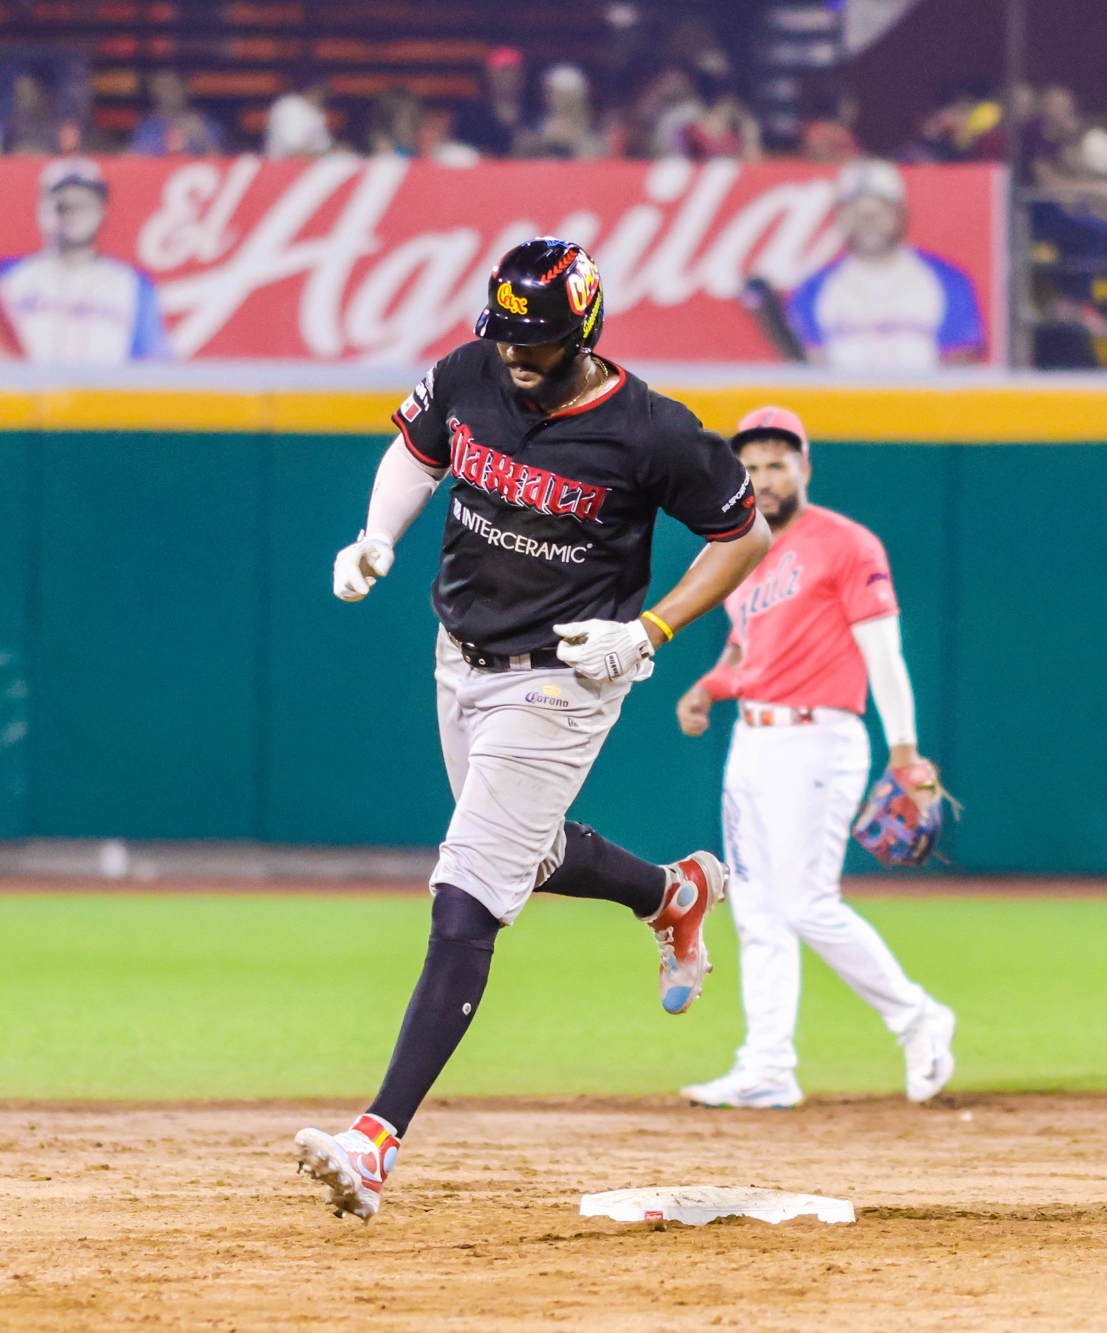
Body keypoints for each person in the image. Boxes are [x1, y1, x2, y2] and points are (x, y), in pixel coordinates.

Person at [296, 237, 772, 1221]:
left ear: (584, 332)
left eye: (538, 341)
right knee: (518, 848)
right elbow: (416, 451)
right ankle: (672, 891)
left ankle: (375, 1140)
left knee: (467, 890)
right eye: (507, 335)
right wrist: (376, 532)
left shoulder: (650, 431)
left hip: (562, 676)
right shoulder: (472, 370)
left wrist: (646, 631)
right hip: (458, 653)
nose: (516, 356)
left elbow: (744, 537)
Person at [673, 407, 955, 1109]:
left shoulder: (847, 544)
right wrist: (709, 687)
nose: (765, 478)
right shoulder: (737, 547)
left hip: (821, 736)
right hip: (752, 739)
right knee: (758, 909)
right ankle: (767, 1065)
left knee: (805, 901)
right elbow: (746, 645)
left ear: (805, 466)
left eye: (778, 463)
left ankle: (917, 1016)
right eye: (753, 466)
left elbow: (883, 653)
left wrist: (906, 754)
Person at [0, 157, 169, 364]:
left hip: (101, 408)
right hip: (19, 407)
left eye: (83, 203)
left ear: (102, 210)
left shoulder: (133, 284)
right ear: (42, 209)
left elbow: (154, 364)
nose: (73, 212)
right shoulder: (1, 276)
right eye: (63, 204)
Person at [783, 160, 985, 372]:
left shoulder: (947, 281)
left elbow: (961, 366)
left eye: (880, 210)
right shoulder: (811, 289)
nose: (869, 221)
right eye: (857, 212)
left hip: (924, 402)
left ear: (901, 214)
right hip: (844, 403)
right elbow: (808, 374)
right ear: (840, 217)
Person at [516, 64, 607, 160]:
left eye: (569, 95)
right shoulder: (538, 130)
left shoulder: (592, 134)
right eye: (560, 95)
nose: (565, 101)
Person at [453, 47, 526, 158]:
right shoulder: (471, 115)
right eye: (503, 71)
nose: (509, 77)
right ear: (489, 75)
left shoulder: (535, 111)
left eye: (514, 71)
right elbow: (460, 148)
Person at [130, 70, 221, 156]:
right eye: (162, 88)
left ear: (185, 88)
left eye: (173, 86)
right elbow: (134, 159)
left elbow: (220, 163)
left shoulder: (204, 124)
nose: (169, 93)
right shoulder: (147, 128)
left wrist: (201, 138)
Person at [263, 72, 333, 159]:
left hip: (311, 165)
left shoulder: (316, 112)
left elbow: (323, 146)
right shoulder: (289, 106)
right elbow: (291, 153)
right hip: (283, 167)